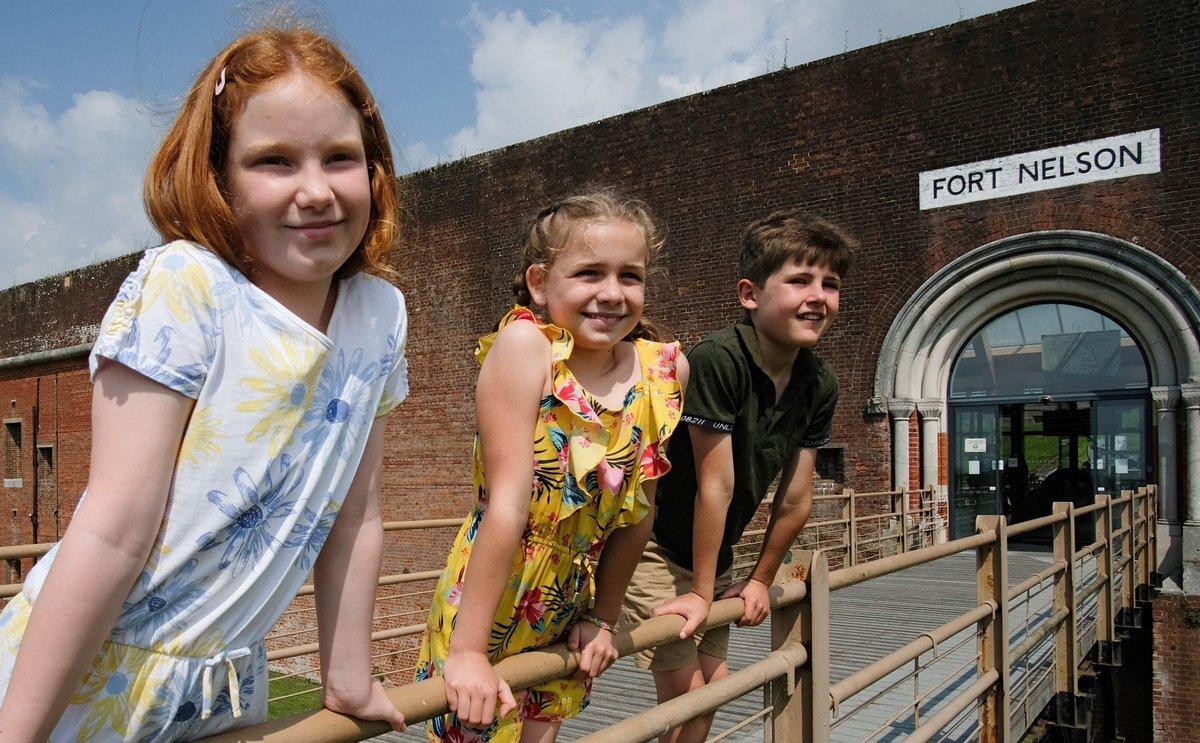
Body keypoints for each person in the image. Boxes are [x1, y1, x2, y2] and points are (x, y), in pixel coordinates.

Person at [0, 24, 410, 740]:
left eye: (340, 158)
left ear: (374, 170)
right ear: (217, 177)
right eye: (274, 161)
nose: (316, 190)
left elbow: (356, 513)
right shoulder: (189, 285)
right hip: (82, 678)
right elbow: (113, 532)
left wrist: (348, 677)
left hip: (222, 687)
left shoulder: (382, 313)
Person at [415, 192, 687, 742]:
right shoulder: (525, 349)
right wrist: (467, 651)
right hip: (490, 594)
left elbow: (638, 518)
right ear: (541, 284)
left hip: (570, 600)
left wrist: (604, 618)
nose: (611, 293)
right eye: (589, 273)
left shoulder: (663, 374)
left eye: (629, 276)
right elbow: (509, 504)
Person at [621, 209, 855, 743]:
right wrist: (703, 593)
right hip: (657, 547)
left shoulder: (818, 381)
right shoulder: (718, 359)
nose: (817, 296)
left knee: (707, 698)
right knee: (692, 695)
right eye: (798, 281)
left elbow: (796, 499)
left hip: (714, 555)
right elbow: (716, 484)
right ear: (749, 294)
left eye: (831, 284)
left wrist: (761, 579)